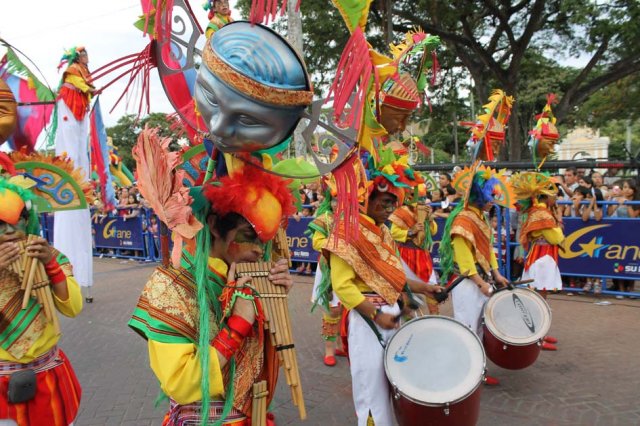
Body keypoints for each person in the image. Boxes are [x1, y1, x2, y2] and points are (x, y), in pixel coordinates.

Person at [129, 165, 296, 425]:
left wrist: (275, 303)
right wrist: (238, 324)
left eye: (265, 241)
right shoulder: (170, 286)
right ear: (215, 225)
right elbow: (182, 386)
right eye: (249, 236)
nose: (258, 250)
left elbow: (261, 364)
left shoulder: (248, 278)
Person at [324, 169, 442, 425]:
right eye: (384, 201)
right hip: (367, 321)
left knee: (396, 385)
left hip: (391, 318)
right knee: (371, 391)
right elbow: (342, 287)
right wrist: (376, 315)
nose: (389, 208)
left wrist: (424, 288)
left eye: (393, 203)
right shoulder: (346, 231)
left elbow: (395, 276)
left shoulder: (384, 233)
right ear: (366, 199)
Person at [0, 179, 83, 425]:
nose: (9, 232)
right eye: (0, 225)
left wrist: (51, 267)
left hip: (48, 375)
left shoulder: (50, 256)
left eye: (17, 222)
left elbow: (73, 308)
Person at [439, 165, 511, 386]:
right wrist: (481, 283)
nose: (493, 201)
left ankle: (477, 371)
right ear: (478, 196)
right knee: (466, 327)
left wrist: (497, 274)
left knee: (479, 327)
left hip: (481, 281)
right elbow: (464, 258)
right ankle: (462, 373)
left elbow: (488, 248)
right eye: (489, 196)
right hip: (467, 283)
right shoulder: (463, 220)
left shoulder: (480, 217)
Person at [53, 46, 95, 304]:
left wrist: (89, 89)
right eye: (84, 54)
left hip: (79, 112)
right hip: (70, 109)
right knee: (71, 148)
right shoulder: (72, 72)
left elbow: (86, 84)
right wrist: (89, 89)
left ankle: (82, 278)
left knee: (80, 148)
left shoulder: (82, 72)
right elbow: (79, 83)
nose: (87, 58)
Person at [511, 172, 565, 351]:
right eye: (554, 194)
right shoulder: (541, 213)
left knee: (541, 298)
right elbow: (556, 236)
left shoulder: (540, 211)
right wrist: (557, 228)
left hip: (543, 258)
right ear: (546, 195)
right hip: (542, 259)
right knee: (539, 299)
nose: (556, 197)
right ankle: (536, 336)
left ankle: (540, 333)